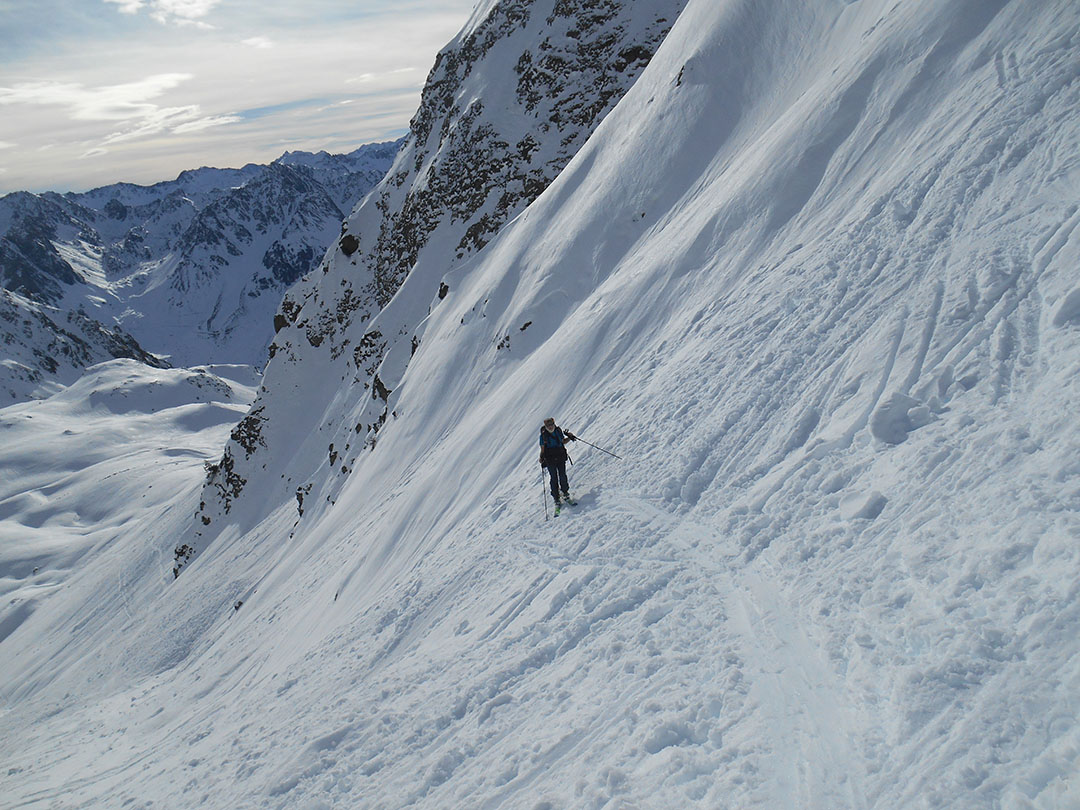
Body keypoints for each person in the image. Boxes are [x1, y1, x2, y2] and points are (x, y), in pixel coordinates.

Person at [539, 417, 577, 506]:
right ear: (545, 426)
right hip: (551, 459)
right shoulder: (543, 436)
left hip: (559, 457)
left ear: (554, 424)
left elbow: (562, 441)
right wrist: (541, 457)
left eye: (551, 424)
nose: (550, 427)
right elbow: (543, 449)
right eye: (548, 425)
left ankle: (565, 492)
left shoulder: (558, 431)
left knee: (562, 475)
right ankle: (556, 496)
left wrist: (569, 437)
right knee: (554, 477)